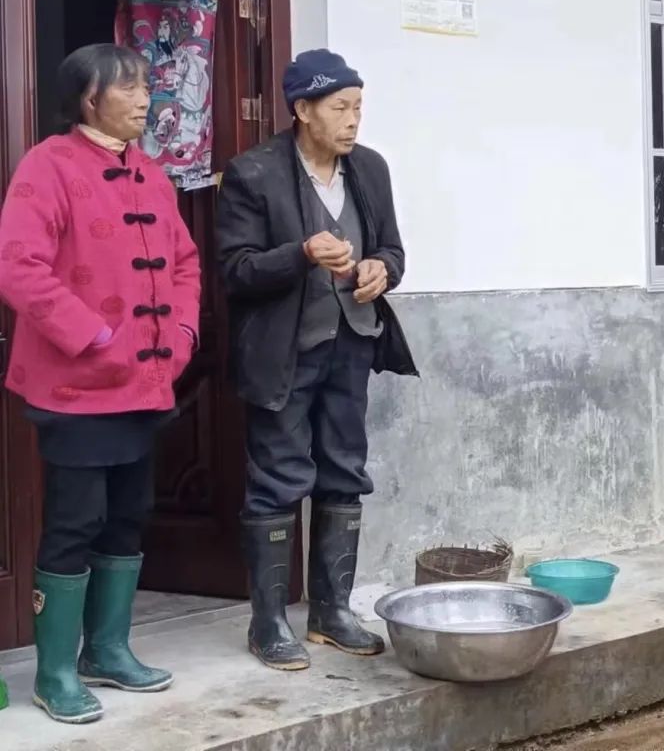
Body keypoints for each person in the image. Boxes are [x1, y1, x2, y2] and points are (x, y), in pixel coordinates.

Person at [0, 44, 201, 723]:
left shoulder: (152, 173)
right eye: (129, 88)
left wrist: (181, 336)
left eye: (146, 86)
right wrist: (92, 335)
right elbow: (18, 265)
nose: (145, 98)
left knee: (127, 515)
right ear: (89, 99)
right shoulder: (47, 165)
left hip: (146, 384)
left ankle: (107, 651)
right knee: (75, 523)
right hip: (75, 389)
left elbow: (184, 264)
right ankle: (55, 671)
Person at [216, 49, 416, 671]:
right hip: (284, 352)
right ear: (303, 110)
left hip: (351, 342)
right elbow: (235, 270)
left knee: (344, 471)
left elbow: (392, 250)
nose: (353, 120)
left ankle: (331, 611)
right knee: (278, 476)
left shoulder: (370, 169)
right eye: (340, 108)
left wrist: (382, 269)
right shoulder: (254, 173)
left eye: (358, 107)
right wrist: (300, 254)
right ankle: (269, 621)